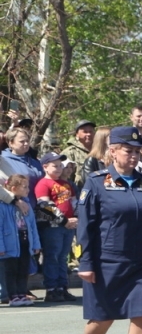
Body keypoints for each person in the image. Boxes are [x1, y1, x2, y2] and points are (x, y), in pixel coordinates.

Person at [73, 126, 142, 334]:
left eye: (137, 151)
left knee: (141, 315)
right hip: (107, 261)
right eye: (127, 150)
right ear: (112, 151)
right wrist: (85, 262)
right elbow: (85, 226)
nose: (133, 156)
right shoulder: (97, 182)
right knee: (102, 319)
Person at [33, 153, 77, 302]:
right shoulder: (43, 184)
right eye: (55, 166)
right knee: (52, 256)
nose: (59, 169)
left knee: (63, 257)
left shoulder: (66, 184)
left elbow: (74, 202)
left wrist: (77, 217)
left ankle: (62, 287)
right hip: (52, 227)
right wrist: (64, 221)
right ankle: (51, 289)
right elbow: (45, 206)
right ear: (45, 167)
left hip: (69, 226)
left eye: (60, 166)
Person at [0, 173, 39, 306]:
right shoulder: (3, 206)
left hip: (25, 242)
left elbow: (33, 226)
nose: (28, 189)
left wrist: (36, 244)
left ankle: (22, 294)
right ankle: (13, 296)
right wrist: (1, 247)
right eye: (24, 187)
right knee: (11, 271)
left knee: (23, 270)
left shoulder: (26, 204)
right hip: (10, 245)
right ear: (13, 189)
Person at [2, 124, 44, 193]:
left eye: (27, 141)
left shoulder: (34, 160)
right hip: (17, 199)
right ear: (11, 143)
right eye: (22, 141)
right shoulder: (3, 161)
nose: (26, 143)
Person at [63, 120, 96, 191]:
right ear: (77, 134)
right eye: (85, 132)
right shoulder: (70, 152)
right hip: (78, 192)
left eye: (91, 131)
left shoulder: (99, 150)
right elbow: (64, 177)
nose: (89, 134)